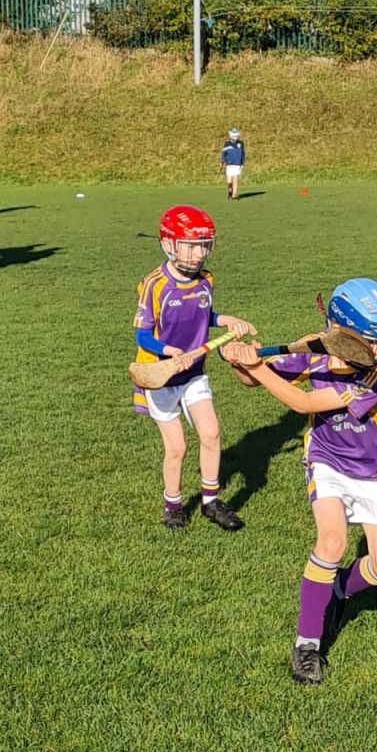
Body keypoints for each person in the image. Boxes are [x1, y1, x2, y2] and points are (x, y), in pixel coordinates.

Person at [223, 278, 377, 686]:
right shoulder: (315, 350)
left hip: (375, 471)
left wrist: (254, 366)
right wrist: (239, 362)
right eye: (372, 341)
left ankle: (339, 589)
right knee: (332, 542)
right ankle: (308, 644)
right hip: (326, 460)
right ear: (341, 330)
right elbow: (255, 381)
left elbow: (303, 402)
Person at [133, 205, 255, 530]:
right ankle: (173, 505)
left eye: (204, 245)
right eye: (191, 244)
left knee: (212, 433)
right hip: (161, 375)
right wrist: (169, 350)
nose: (199, 253)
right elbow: (142, 334)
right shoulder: (154, 285)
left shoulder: (206, 281)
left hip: (194, 373)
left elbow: (202, 314)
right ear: (169, 244)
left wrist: (225, 319)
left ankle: (210, 502)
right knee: (177, 447)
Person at [219, 127, 246, 200]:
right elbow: (223, 153)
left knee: (235, 180)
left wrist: (242, 163)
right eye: (234, 136)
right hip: (229, 164)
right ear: (230, 135)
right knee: (229, 180)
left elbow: (243, 153)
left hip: (237, 164)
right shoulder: (227, 144)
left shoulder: (241, 143)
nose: (236, 137)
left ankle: (234, 195)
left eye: (237, 136)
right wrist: (223, 160)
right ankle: (230, 191)